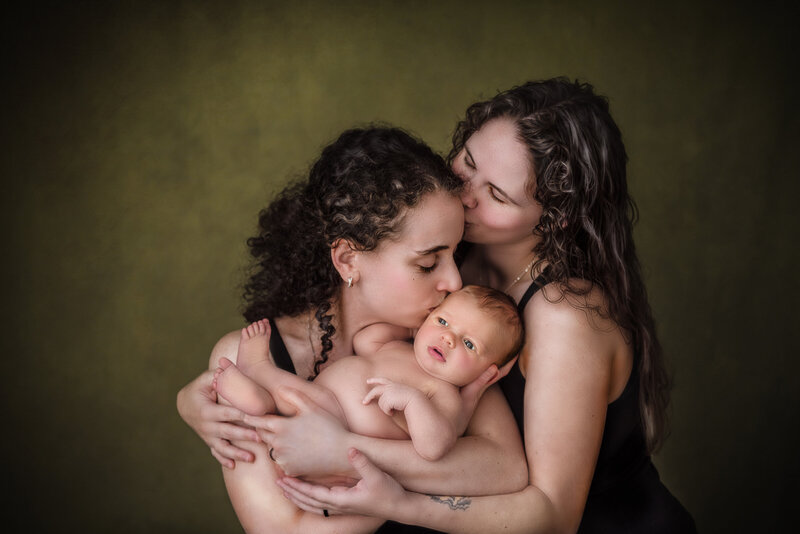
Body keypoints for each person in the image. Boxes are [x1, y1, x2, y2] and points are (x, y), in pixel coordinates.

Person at [266, 79, 698, 533]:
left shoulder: (564, 315)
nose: (465, 193)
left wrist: (364, 468)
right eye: (468, 163)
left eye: (497, 195)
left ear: (556, 216)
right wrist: (207, 393)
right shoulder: (450, 260)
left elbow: (554, 518)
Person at [176, 126, 528, 533]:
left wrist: (346, 454)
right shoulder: (250, 352)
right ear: (347, 260)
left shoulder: (440, 339)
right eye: (428, 264)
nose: (453, 281)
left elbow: (505, 468)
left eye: (454, 254)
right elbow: (282, 529)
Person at [213, 285, 524, 463]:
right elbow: (364, 340)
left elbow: (435, 446)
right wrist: (412, 327)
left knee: (305, 398)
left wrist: (413, 402)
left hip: (334, 429)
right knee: (291, 401)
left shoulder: (441, 392)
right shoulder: (398, 347)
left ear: (487, 371)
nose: (448, 338)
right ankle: (258, 400)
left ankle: (259, 369)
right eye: (443, 321)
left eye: (469, 343)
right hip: (316, 415)